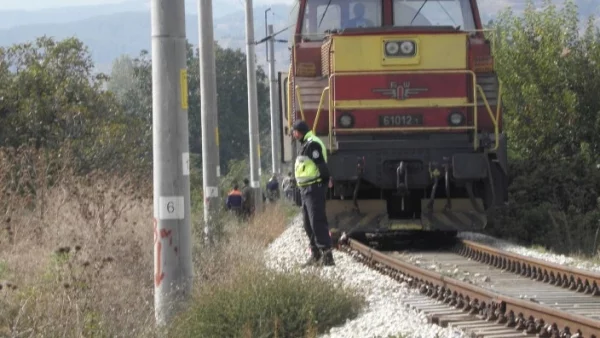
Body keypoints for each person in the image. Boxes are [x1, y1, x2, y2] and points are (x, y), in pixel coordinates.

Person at [292, 120, 335, 267]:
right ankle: (315, 254)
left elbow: (321, 165)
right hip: (306, 190)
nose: (293, 134)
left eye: (294, 131)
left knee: (317, 221)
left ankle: (327, 255)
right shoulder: (305, 144)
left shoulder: (312, 144)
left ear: (299, 131)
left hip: (314, 188)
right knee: (307, 223)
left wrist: (324, 182)